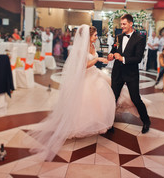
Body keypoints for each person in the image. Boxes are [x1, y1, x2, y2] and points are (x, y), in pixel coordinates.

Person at [28, 25, 116, 161]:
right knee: (84, 102)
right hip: (85, 77)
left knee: (100, 100)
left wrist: (103, 58)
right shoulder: (81, 50)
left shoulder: (92, 46)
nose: (96, 37)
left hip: (95, 75)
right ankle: (79, 126)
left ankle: (97, 123)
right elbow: (83, 66)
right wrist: (98, 60)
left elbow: (93, 59)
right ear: (87, 36)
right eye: (94, 35)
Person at [108, 14, 151, 134]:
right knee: (113, 98)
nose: (122, 26)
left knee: (135, 98)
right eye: (121, 24)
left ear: (131, 24)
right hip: (117, 72)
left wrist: (122, 58)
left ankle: (146, 121)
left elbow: (138, 58)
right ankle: (108, 122)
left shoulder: (139, 39)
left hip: (131, 74)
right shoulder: (119, 37)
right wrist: (111, 55)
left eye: (124, 24)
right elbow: (113, 51)